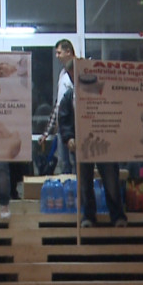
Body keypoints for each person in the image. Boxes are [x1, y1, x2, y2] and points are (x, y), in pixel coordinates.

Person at [58, 59, 128, 228]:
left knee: (111, 179)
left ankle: (117, 215)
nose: (74, 77)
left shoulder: (101, 92)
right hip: (81, 144)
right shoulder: (69, 96)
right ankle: (88, 216)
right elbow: (64, 119)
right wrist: (69, 138)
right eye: (71, 75)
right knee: (84, 182)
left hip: (103, 142)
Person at [39, 39, 75, 174]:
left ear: (68, 52)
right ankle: (69, 193)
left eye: (59, 53)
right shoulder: (62, 74)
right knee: (63, 163)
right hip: (62, 128)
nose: (57, 56)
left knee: (74, 162)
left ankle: (79, 192)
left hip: (73, 128)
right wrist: (47, 132)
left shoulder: (78, 71)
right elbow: (58, 105)